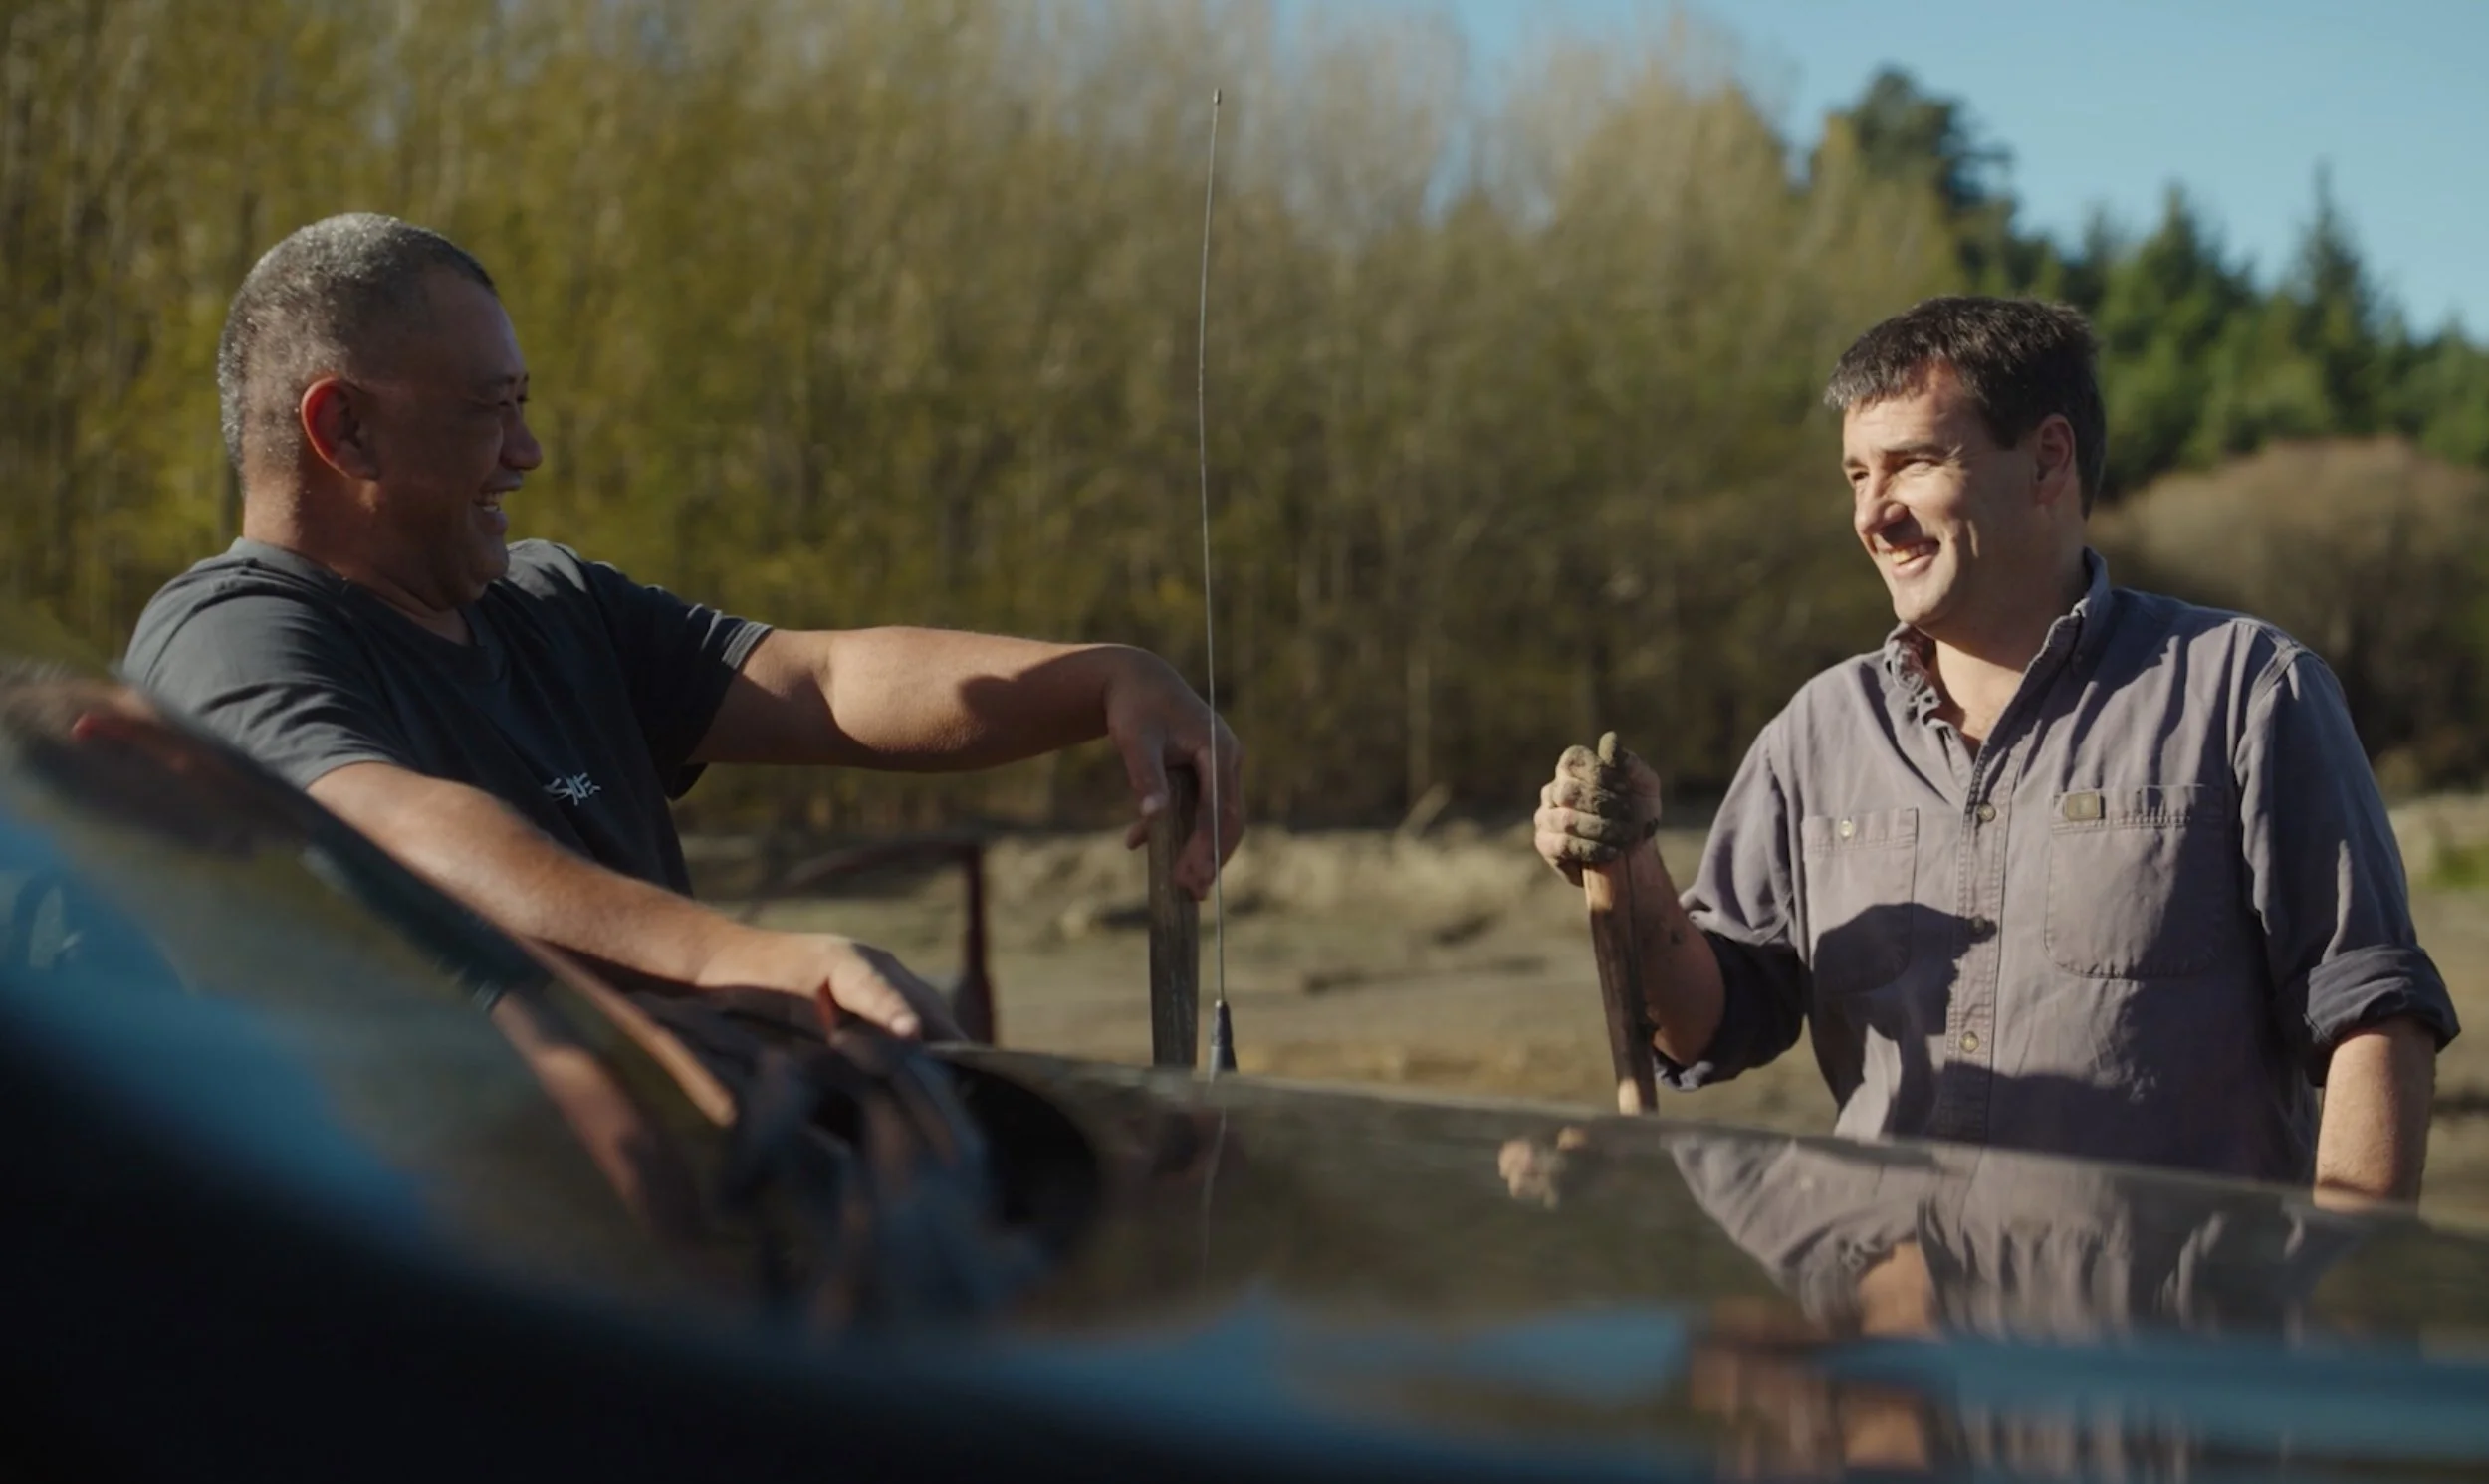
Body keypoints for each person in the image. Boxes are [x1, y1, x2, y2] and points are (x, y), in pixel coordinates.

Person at [124, 213, 1242, 1043]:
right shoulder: (229, 637)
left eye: (523, 406)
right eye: (489, 410)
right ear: (346, 430)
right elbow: (384, 826)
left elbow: (821, 681)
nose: (527, 453)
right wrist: (739, 962)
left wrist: (1104, 679)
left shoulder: (554, 604)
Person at [1532, 296, 2456, 1197]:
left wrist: (2349, 1273)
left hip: (2175, 1305)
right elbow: (1708, 1025)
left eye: (1912, 464)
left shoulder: (2245, 691)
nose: (1872, 514)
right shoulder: (1817, 732)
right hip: (1888, 1297)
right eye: (1856, 475)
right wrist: (1633, 869)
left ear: (2048, 459)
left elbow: (2371, 1012)